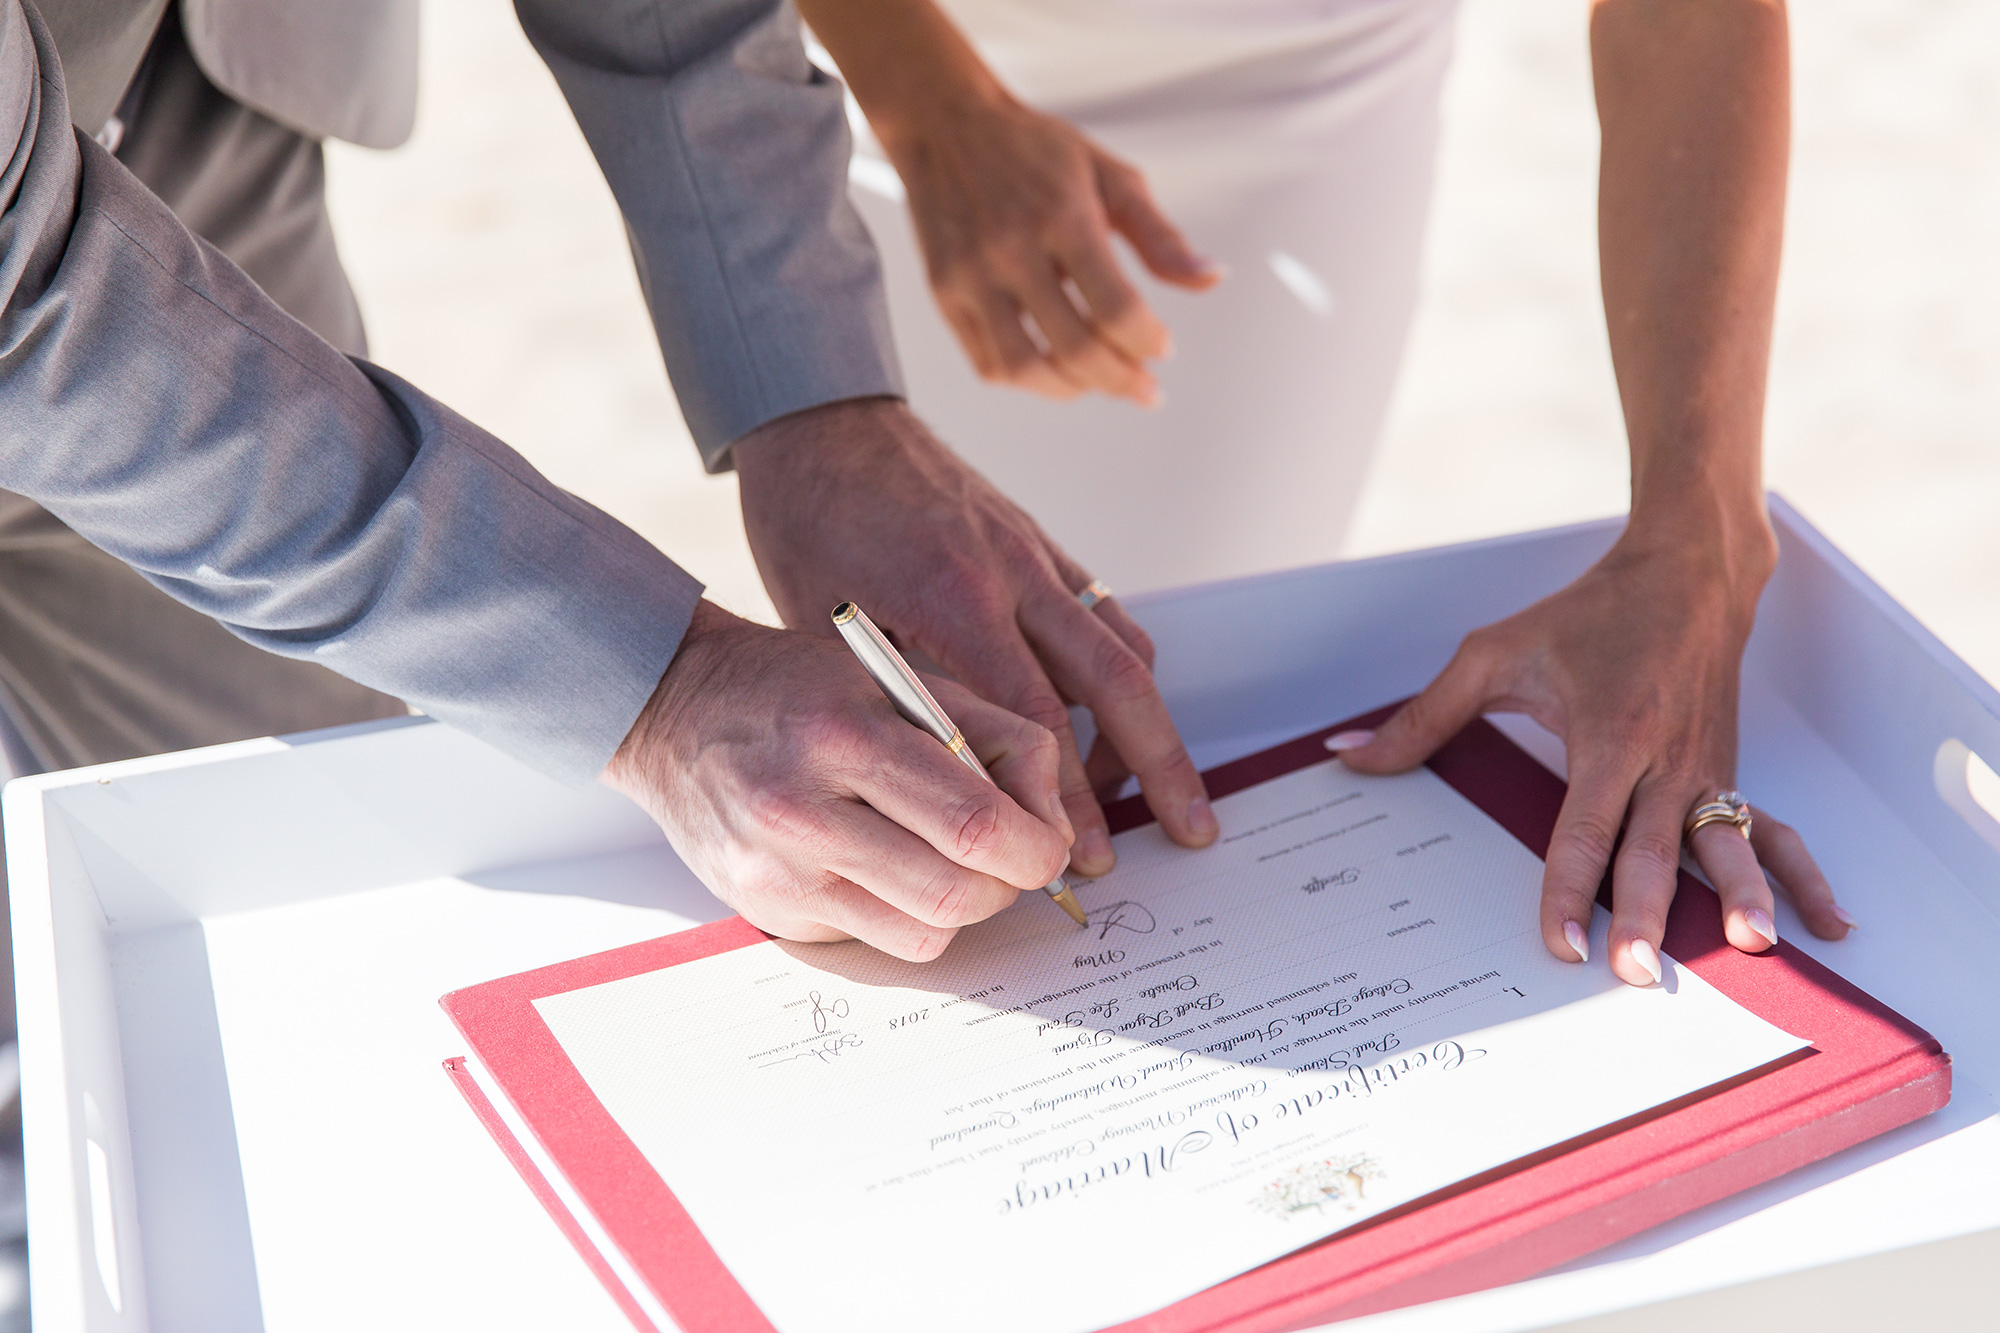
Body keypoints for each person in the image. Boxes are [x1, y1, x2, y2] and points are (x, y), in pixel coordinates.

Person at [0, 0, 1223, 968]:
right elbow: (33, 293)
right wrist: (662, 691)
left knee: (270, 868)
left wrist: (815, 404)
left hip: (203, 95)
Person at [798, 0, 1855, 987]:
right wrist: (927, 102)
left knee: (1183, 687)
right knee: (921, 711)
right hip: (923, 69)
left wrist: (1694, 545)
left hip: (1312, 76)